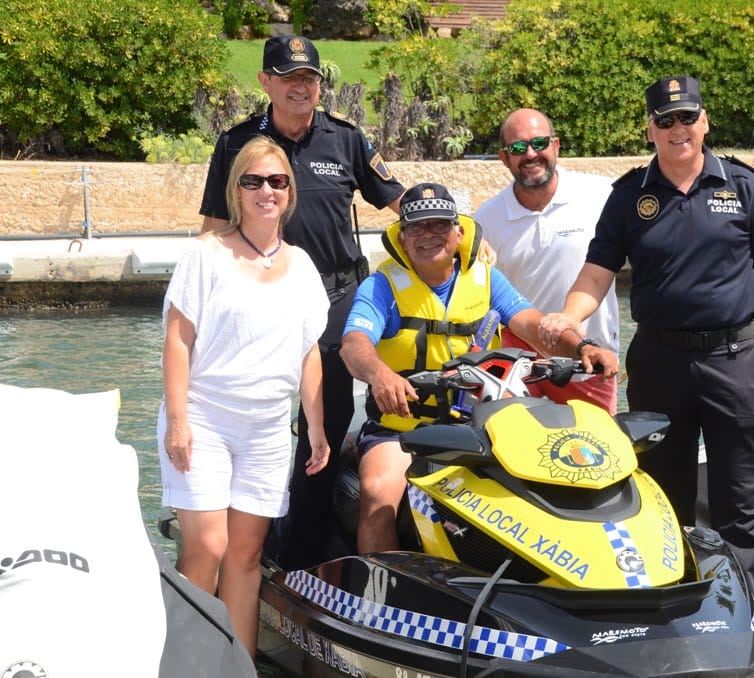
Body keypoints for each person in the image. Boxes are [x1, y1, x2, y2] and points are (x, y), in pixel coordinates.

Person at [539, 75, 754, 601]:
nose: (677, 129)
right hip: (660, 364)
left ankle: (744, 610)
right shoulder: (629, 196)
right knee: (661, 496)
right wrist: (570, 317)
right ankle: (677, 606)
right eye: (666, 120)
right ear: (651, 130)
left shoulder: (744, 187)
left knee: (742, 501)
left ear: (704, 122)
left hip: (735, 358)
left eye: (687, 117)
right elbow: (597, 273)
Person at [198, 35, 405, 571]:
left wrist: (460, 229)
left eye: (309, 79)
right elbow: (215, 228)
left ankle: (302, 553)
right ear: (266, 82)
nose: (301, 88)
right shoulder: (237, 144)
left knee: (328, 424)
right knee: (259, 415)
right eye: (289, 79)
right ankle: (245, 536)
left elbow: (397, 198)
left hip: (335, 297)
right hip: (262, 297)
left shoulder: (346, 139)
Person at [340, 183, 620, 554]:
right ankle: (379, 599)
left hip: (480, 428)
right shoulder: (381, 287)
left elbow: (534, 326)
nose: (429, 236)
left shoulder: (487, 279)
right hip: (402, 430)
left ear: (458, 233)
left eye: (440, 225)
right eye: (418, 228)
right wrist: (380, 375)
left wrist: (584, 348)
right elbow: (354, 343)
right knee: (378, 494)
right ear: (402, 237)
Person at [160, 136, 331, 658]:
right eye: (252, 180)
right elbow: (177, 339)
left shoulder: (301, 265)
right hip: (205, 419)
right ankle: (183, 664)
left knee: (247, 554)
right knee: (207, 547)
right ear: (235, 190)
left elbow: (308, 352)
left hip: (267, 430)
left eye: (276, 181)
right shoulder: (205, 254)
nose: (265, 190)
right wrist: (177, 420)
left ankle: (238, 666)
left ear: (290, 191)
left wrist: (317, 428)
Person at [473, 108, 621, 413]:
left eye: (539, 143)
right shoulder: (485, 220)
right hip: (518, 370)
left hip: (588, 361)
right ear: (503, 157)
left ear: (556, 146)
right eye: (517, 148)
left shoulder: (601, 196)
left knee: (598, 455)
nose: (530, 154)